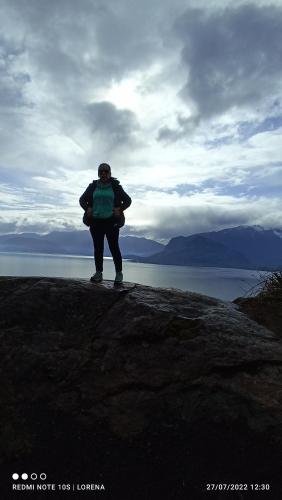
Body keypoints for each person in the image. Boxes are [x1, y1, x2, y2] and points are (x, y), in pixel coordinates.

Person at [79, 163, 131, 284]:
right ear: (98, 173)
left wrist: (120, 209)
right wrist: (88, 209)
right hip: (96, 222)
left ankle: (119, 274)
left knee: (114, 248)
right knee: (98, 248)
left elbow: (128, 200)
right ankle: (98, 274)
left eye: (106, 171)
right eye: (101, 171)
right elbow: (82, 200)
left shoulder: (115, 186)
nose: (103, 173)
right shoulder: (92, 186)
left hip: (111, 222)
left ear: (109, 173)